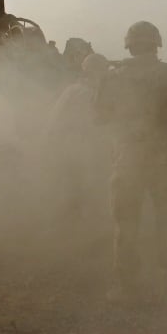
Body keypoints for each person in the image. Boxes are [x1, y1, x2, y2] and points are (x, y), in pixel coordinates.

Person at [94, 21, 167, 303]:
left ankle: (126, 286)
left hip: (127, 156)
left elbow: (99, 117)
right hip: (165, 157)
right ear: (156, 44)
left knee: (126, 222)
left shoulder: (112, 76)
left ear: (129, 45)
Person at [43, 53, 112, 219]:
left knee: (79, 190)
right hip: (79, 148)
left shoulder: (75, 90)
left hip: (80, 148)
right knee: (79, 191)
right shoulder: (81, 91)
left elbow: (54, 121)